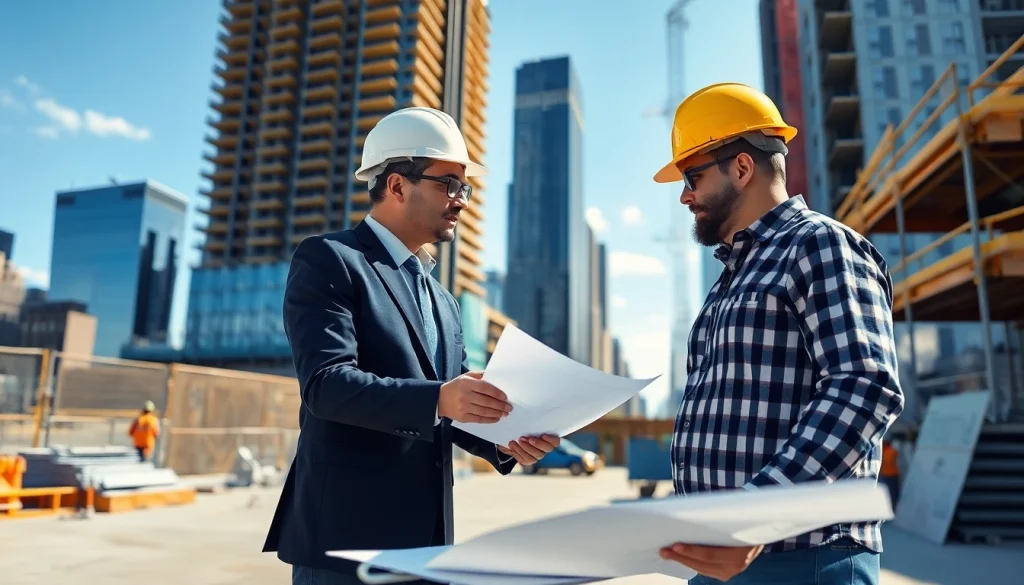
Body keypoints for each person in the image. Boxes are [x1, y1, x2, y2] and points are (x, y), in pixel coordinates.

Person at [262, 106, 560, 584]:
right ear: (398, 185)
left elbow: (453, 408)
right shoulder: (330, 260)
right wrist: (441, 397)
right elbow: (326, 385)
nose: (462, 200)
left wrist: (507, 440)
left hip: (427, 545)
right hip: (346, 541)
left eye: (465, 187)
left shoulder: (443, 298)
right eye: (449, 184)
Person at [650, 83, 905, 585]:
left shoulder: (821, 246)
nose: (685, 195)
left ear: (741, 168)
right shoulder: (734, 273)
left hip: (804, 559)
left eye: (693, 176)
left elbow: (865, 387)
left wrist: (755, 515)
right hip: (727, 555)